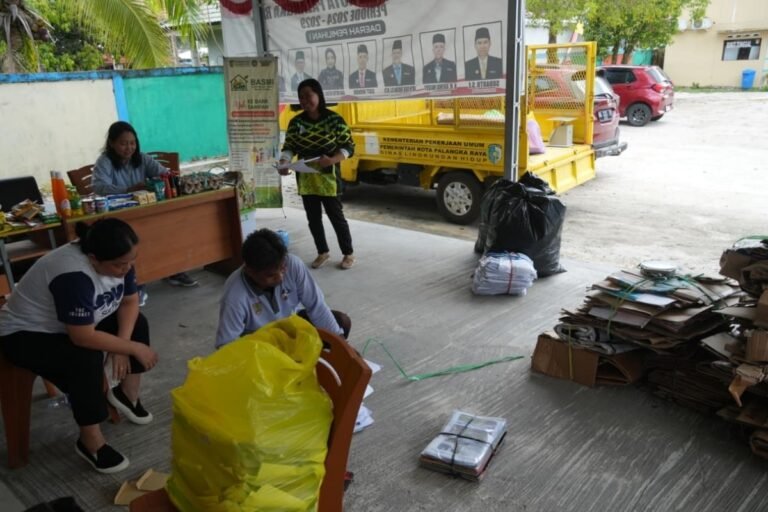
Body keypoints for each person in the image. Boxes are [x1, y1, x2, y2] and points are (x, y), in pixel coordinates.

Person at [0, 218, 158, 474]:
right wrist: (132, 348)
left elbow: (129, 303)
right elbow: (82, 337)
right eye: (120, 265)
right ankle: (90, 442)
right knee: (83, 359)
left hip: (77, 323)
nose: (127, 269)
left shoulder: (120, 258)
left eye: (131, 260)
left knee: (137, 324)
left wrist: (123, 346)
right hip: (26, 334)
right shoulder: (73, 275)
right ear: (94, 258)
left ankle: (125, 395)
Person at [91, 121, 198, 294]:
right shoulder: (105, 162)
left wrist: (166, 178)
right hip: (120, 216)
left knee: (170, 227)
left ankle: (173, 269)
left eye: (132, 143)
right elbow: (99, 187)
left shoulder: (141, 158)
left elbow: (163, 173)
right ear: (111, 143)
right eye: (123, 143)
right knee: (131, 241)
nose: (129, 148)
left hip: (145, 209)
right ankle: (136, 281)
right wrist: (127, 190)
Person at [216, 228, 350, 348]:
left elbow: (317, 306)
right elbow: (226, 345)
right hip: (261, 344)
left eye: (282, 268)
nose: (280, 277)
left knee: (341, 323)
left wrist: (343, 345)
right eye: (270, 275)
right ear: (250, 271)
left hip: (290, 326)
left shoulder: (292, 264)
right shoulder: (234, 295)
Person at [279, 79, 356, 270]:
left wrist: (332, 160)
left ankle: (348, 254)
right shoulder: (296, 122)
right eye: (301, 97)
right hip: (306, 178)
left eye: (308, 95)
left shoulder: (334, 120)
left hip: (329, 177)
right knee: (313, 218)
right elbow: (289, 147)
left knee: (336, 216)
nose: (305, 100)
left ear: (319, 95)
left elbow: (349, 147)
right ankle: (322, 252)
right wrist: (284, 161)